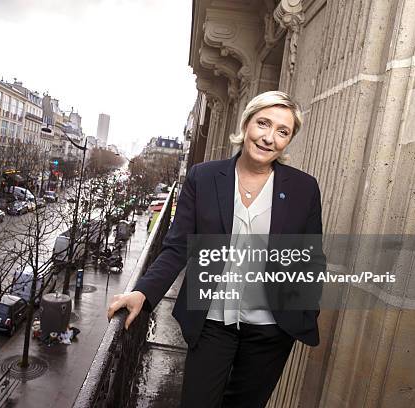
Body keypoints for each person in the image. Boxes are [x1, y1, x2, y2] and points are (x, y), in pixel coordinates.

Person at [107, 91, 325, 407]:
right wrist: (143, 292)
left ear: (289, 140)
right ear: (246, 123)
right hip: (213, 323)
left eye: (283, 131)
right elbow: (178, 246)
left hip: (271, 331)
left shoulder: (304, 188)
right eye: (263, 123)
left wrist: (305, 307)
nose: (269, 138)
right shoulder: (204, 177)